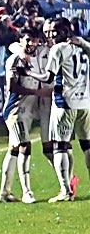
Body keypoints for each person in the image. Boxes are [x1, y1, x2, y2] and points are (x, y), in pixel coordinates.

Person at [38, 16, 90, 202]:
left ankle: (66, 191)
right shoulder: (83, 47)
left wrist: (29, 72)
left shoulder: (58, 49)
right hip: (85, 102)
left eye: (55, 31)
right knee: (87, 146)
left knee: (60, 146)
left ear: (65, 32)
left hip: (64, 103)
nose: (51, 35)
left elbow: (48, 77)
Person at [0, 28, 47, 204]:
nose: (31, 44)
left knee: (13, 151)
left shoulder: (38, 57)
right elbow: (12, 87)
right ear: (21, 41)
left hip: (27, 111)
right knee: (25, 146)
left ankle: (4, 193)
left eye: (34, 40)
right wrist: (37, 92)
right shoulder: (15, 60)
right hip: (16, 110)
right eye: (27, 40)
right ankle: (27, 192)